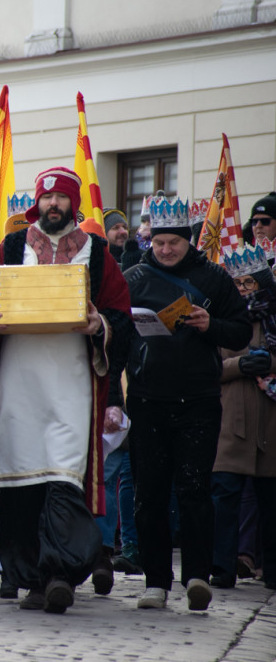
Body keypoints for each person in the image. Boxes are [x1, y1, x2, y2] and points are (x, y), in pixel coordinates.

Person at [0, 167, 133, 614]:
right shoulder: (12, 248)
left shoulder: (98, 255)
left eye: (62, 198)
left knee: (63, 475)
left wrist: (100, 324)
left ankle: (60, 574)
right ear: (38, 202)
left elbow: (123, 317)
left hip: (71, 384)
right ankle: (31, 578)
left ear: (73, 203)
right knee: (21, 478)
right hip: (17, 384)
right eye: (47, 197)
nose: (54, 205)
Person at [121, 194, 251, 611]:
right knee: (150, 494)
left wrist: (211, 324)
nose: (166, 250)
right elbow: (116, 334)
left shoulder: (213, 277)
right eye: (159, 243)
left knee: (195, 490)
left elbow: (240, 331)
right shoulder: (134, 277)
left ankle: (196, 575)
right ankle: (154, 582)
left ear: (187, 239)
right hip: (146, 399)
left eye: (173, 243)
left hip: (198, 399)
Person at [210, 244, 276, 592]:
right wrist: (239, 365)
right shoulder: (222, 319)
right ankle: (221, 567)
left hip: (270, 421)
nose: (242, 290)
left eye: (248, 283)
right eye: (236, 283)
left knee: (271, 500)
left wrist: (270, 363)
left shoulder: (273, 317)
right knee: (225, 497)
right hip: (230, 422)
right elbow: (206, 367)